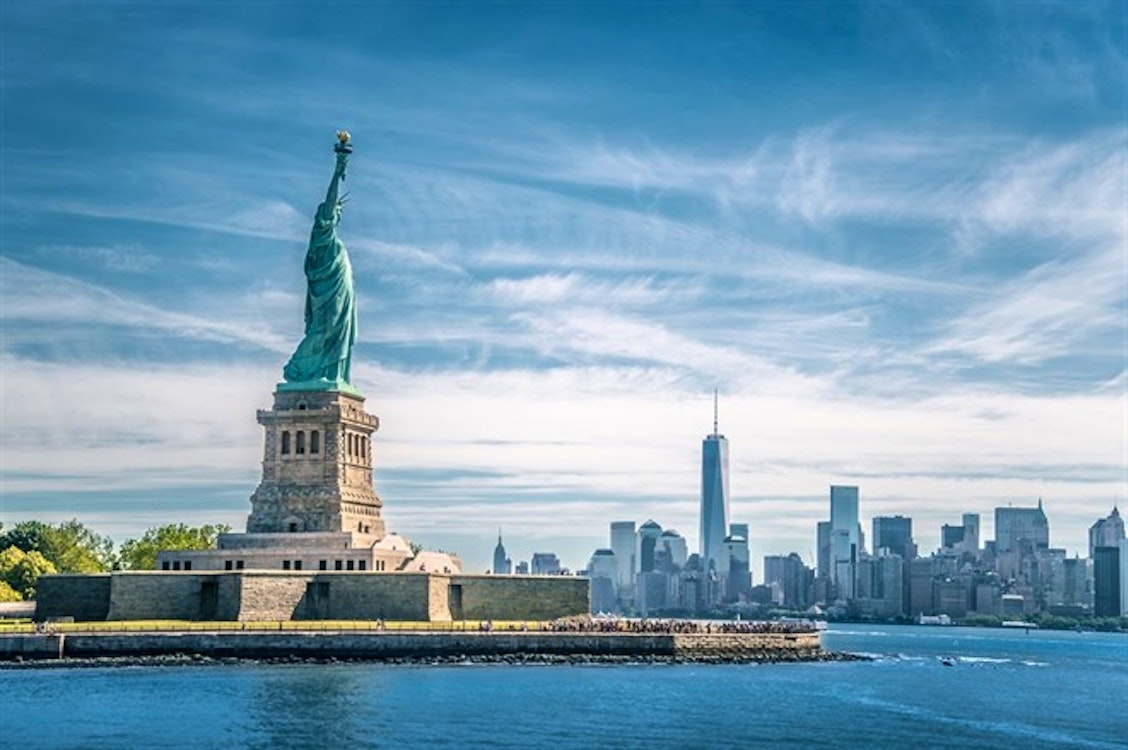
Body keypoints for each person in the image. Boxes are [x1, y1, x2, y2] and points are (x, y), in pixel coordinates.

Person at [282, 141, 358, 387]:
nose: (336, 214)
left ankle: (332, 374)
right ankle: (298, 370)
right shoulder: (321, 235)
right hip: (327, 294)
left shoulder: (334, 243)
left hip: (341, 292)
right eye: (334, 212)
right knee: (323, 330)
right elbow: (329, 201)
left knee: (337, 332)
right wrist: (339, 168)